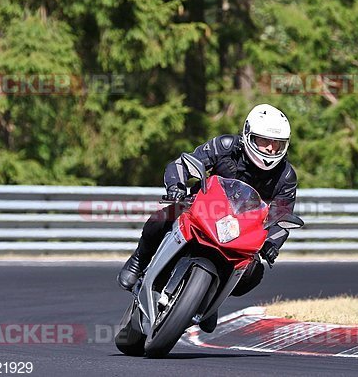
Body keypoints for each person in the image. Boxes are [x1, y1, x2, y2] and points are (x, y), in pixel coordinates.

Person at [117, 103, 298, 298]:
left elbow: (282, 215)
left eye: (277, 143)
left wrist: (271, 243)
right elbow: (183, 164)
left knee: (253, 274)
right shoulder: (226, 145)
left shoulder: (286, 176)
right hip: (202, 208)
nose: (270, 148)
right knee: (162, 218)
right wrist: (176, 187)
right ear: (249, 135)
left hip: (243, 231)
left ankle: (208, 299)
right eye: (264, 140)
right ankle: (139, 260)